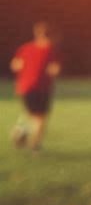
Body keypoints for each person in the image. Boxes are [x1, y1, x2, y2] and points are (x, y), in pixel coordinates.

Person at [9, 21, 61, 152]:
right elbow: (55, 69)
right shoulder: (49, 50)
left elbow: (15, 65)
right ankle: (35, 147)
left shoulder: (25, 48)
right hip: (41, 87)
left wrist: (26, 72)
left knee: (32, 115)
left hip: (25, 87)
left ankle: (20, 132)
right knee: (40, 118)